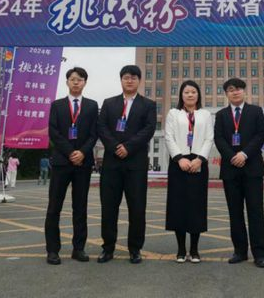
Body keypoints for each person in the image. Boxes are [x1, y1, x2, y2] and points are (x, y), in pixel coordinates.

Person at [97, 65, 157, 264]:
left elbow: (149, 129)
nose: (129, 80)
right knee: (109, 207)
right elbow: (101, 127)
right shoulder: (109, 103)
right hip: (112, 163)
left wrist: (128, 147)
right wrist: (115, 147)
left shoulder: (148, 105)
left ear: (139, 80)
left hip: (136, 164)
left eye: (133, 77)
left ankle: (135, 248)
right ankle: (108, 248)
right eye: (126, 77)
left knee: (137, 207)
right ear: (121, 80)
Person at [44, 67, 99, 265]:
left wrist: (82, 152)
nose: (76, 82)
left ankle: (79, 248)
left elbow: (94, 133)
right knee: (54, 206)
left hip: (83, 163)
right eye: (73, 79)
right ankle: (52, 250)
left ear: (85, 82)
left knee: (80, 207)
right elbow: (54, 132)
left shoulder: (92, 106)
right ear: (67, 82)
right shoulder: (57, 105)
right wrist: (70, 152)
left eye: (80, 79)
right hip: (61, 162)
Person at [214, 78, 264, 268]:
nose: (235, 92)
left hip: (252, 168)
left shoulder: (256, 111)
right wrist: (232, 156)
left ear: (244, 91)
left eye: (238, 89)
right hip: (230, 169)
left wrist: (244, 154)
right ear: (226, 94)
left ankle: (259, 253)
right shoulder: (221, 115)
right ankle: (240, 251)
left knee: (255, 211)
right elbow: (219, 138)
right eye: (231, 89)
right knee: (235, 212)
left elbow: (260, 135)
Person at [164, 80, 214, 263]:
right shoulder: (173, 113)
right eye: (186, 92)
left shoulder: (205, 114)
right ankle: (180, 249)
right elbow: (169, 137)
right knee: (178, 206)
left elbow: (209, 138)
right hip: (179, 163)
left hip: (198, 163)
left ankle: (194, 249)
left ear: (198, 95)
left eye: (193, 91)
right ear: (181, 95)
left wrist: (200, 159)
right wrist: (179, 158)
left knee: (196, 206)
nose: (190, 95)